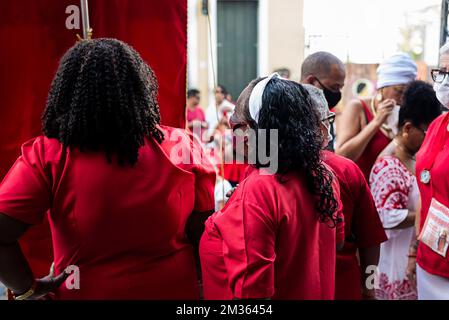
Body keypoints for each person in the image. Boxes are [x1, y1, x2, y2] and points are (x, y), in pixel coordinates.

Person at [0, 39, 216, 300]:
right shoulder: (183, 145)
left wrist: (27, 289)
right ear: (141, 89)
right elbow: (202, 234)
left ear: (68, 93)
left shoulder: (48, 155)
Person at [199, 74, 345, 300]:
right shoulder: (323, 173)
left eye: (235, 124)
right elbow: (336, 242)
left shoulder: (261, 188)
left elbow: (254, 295)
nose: (232, 132)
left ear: (250, 132)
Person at [304, 84, 387, 300]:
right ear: (325, 125)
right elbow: (370, 240)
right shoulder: (346, 169)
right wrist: (370, 288)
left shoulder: (268, 173)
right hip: (342, 287)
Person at [370, 80, 442, 300]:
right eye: (426, 132)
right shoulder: (388, 164)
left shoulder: (414, 158)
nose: (431, 138)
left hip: (414, 262)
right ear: (408, 128)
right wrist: (430, 216)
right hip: (395, 265)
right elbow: (385, 216)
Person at [336, 53, 417, 181]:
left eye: (408, 93)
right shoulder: (358, 107)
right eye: (399, 90)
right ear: (382, 87)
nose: (403, 97)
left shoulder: (408, 112)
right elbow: (342, 156)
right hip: (358, 193)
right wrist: (377, 122)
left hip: (391, 194)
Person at [411, 43, 449, 300]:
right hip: (429, 256)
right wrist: (415, 248)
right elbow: (424, 190)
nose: (443, 81)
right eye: (441, 72)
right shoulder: (437, 124)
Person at [301, 51, 346, 150]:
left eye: (340, 88)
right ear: (312, 81)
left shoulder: (325, 115)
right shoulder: (281, 111)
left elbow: (327, 156)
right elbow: (265, 158)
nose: (337, 93)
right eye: (334, 87)